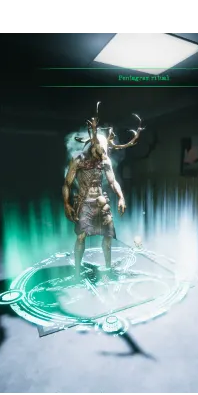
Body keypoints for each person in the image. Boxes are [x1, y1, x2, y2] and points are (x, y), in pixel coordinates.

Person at [62, 102, 143, 279]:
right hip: (84, 203)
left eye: (104, 150)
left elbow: (113, 182)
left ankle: (108, 268)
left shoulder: (104, 160)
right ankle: (77, 272)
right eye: (100, 149)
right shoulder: (78, 160)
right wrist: (67, 204)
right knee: (81, 237)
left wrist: (121, 197)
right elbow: (67, 184)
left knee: (108, 237)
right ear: (93, 144)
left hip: (101, 203)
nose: (103, 153)